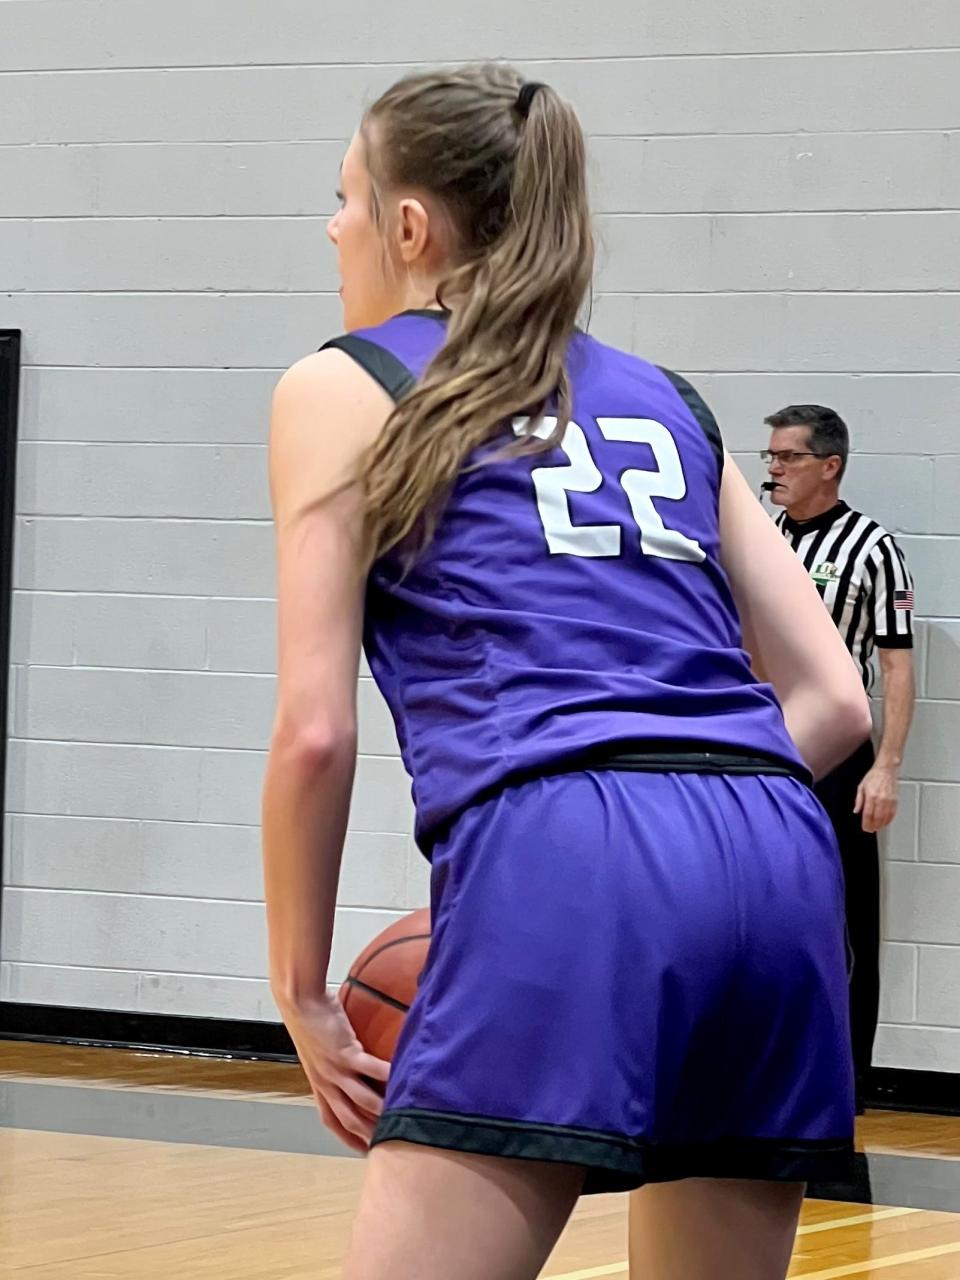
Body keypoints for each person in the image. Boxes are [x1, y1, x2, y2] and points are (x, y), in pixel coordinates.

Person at [261, 65, 871, 1280]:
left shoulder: (343, 381)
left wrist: (301, 992)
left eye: (342, 196)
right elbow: (836, 699)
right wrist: (680, 810)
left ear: (411, 225)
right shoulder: (667, 399)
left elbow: (315, 733)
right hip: (776, 856)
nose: (332, 226)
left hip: (566, 841)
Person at [762, 405, 916, 1110]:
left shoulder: (871, 548)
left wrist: (885, 765)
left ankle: (845, 1081)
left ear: (830, 465)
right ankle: (763, 1070)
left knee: (847, 923)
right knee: (763, 910)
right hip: (763, 749)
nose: (773, 471)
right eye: (770, 458)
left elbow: (896, 666)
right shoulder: (761, 540)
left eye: (787, 458)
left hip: (840, 754)